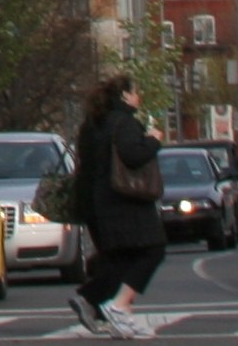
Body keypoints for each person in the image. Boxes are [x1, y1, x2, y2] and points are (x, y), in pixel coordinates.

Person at [69, 72, 165, 339]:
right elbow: (134, 156)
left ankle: (99, 305)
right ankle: (118, 306)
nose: (139, 96)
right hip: (123, 201)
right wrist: (154, 140)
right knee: (152, 249)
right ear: (124, 95)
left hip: (94, 202)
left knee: (120, 258)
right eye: (135, 91)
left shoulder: (93, 124)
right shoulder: (124, 123)